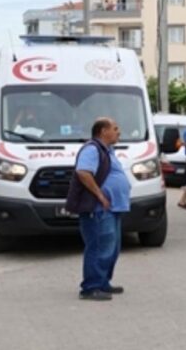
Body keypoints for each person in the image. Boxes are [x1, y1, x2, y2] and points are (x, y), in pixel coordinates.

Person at [66, 118, 130, 301]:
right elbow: (83, 172)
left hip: (113, 208)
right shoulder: (92, 149)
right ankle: (90, 287)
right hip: (98, 208)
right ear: (103, 131)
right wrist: (100, 196)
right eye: (115, 128)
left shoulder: (108, 151)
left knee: (112, 247)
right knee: (99, 246)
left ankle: (102, 282)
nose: (119, 132)